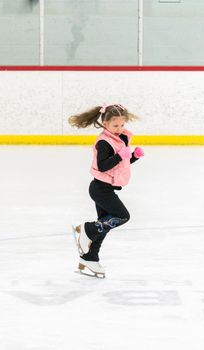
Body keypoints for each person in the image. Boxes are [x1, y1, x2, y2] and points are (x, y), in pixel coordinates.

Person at [69, 104, 144, 277]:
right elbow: (103, 166)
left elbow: (120, 164)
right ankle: (86, 229)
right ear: (105, 124)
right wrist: (120, 156)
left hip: (105, 188)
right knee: (122, 216)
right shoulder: (104, 142)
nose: (119, 129)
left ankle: (89, 258)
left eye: (122, 125)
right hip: (100, 189)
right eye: (115, 125)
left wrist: (134, 157)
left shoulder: (120, 139)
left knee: (105, 225)